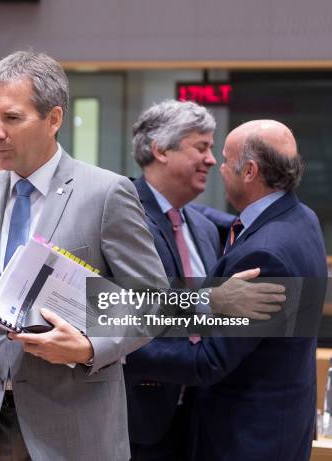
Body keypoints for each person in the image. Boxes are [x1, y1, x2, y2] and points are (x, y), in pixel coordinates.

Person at [0, 50, 166, 461]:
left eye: (12, 118)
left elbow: (153, 301)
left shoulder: (105, 193)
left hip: (74, 428)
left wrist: (90, 347)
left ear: (54, 120)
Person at [125, 120, 327, 461]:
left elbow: (208, 362)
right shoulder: (302, 219)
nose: (216, 166)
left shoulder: (264, 255)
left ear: (249, 171)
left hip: (244, 439)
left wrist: (113, 348)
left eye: (222, 157)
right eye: (201, 148)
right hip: (277, 427)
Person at [125, 100, 221, 460]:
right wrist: (200, 361)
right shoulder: (120, 215)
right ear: (161, 150)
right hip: (136, 422)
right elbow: (106, 318)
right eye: (201, 147)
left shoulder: (205, 229)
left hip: (200, 418)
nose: (211, 160)